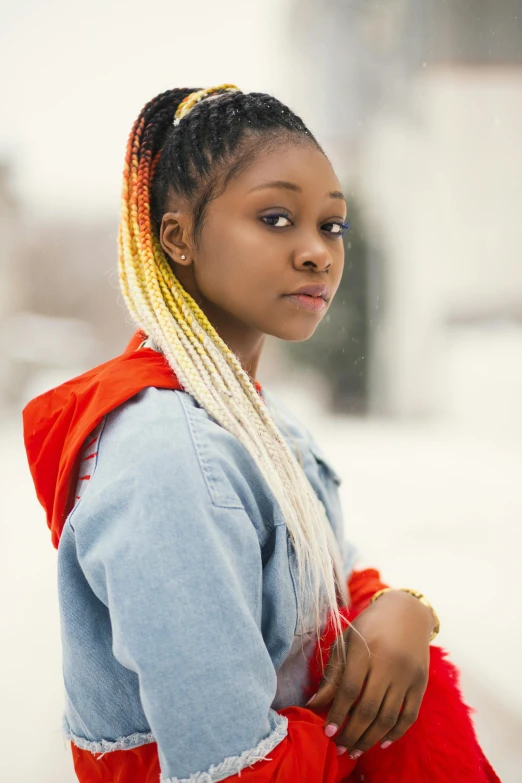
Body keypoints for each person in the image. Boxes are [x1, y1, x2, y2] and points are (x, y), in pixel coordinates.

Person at [23, 85, 499, 783]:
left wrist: (403, 610)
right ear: (178, 236)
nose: (316, 252)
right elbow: (231, 772)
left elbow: (324, 588)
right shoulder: (168, 455)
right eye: (275, 218)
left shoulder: (259, 418)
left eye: (331, 225)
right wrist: (372, 729)